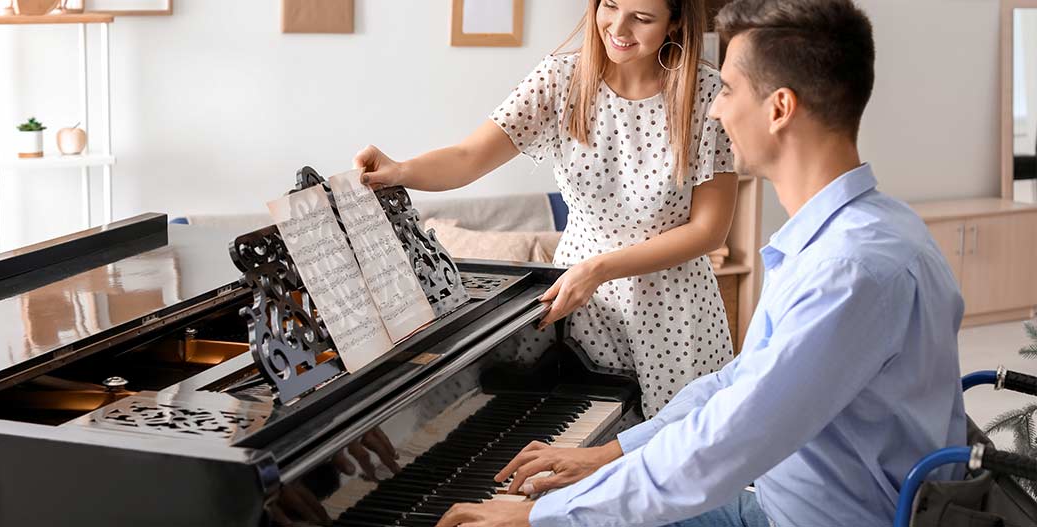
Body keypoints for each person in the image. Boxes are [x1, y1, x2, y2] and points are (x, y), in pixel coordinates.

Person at [435, 0, 968, 525]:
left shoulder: (847, 271)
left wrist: (538, 519)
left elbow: (721, 448)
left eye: (730, 91)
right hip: (781, 502)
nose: (714, 108)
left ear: (779, 109)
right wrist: (609, 453)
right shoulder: (864, 230)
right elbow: (738, 385)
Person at [356, 0, 738, 419]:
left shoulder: (708, 95)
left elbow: (708, 231)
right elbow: (469, 156)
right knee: (572, 453)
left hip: (673, 311)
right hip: (578, 302)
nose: (618, 27)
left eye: (642, 18)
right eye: (609, 5)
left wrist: (599, 269)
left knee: (672, 460)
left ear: (676, 21)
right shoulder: (560, 80)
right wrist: (400, 170)